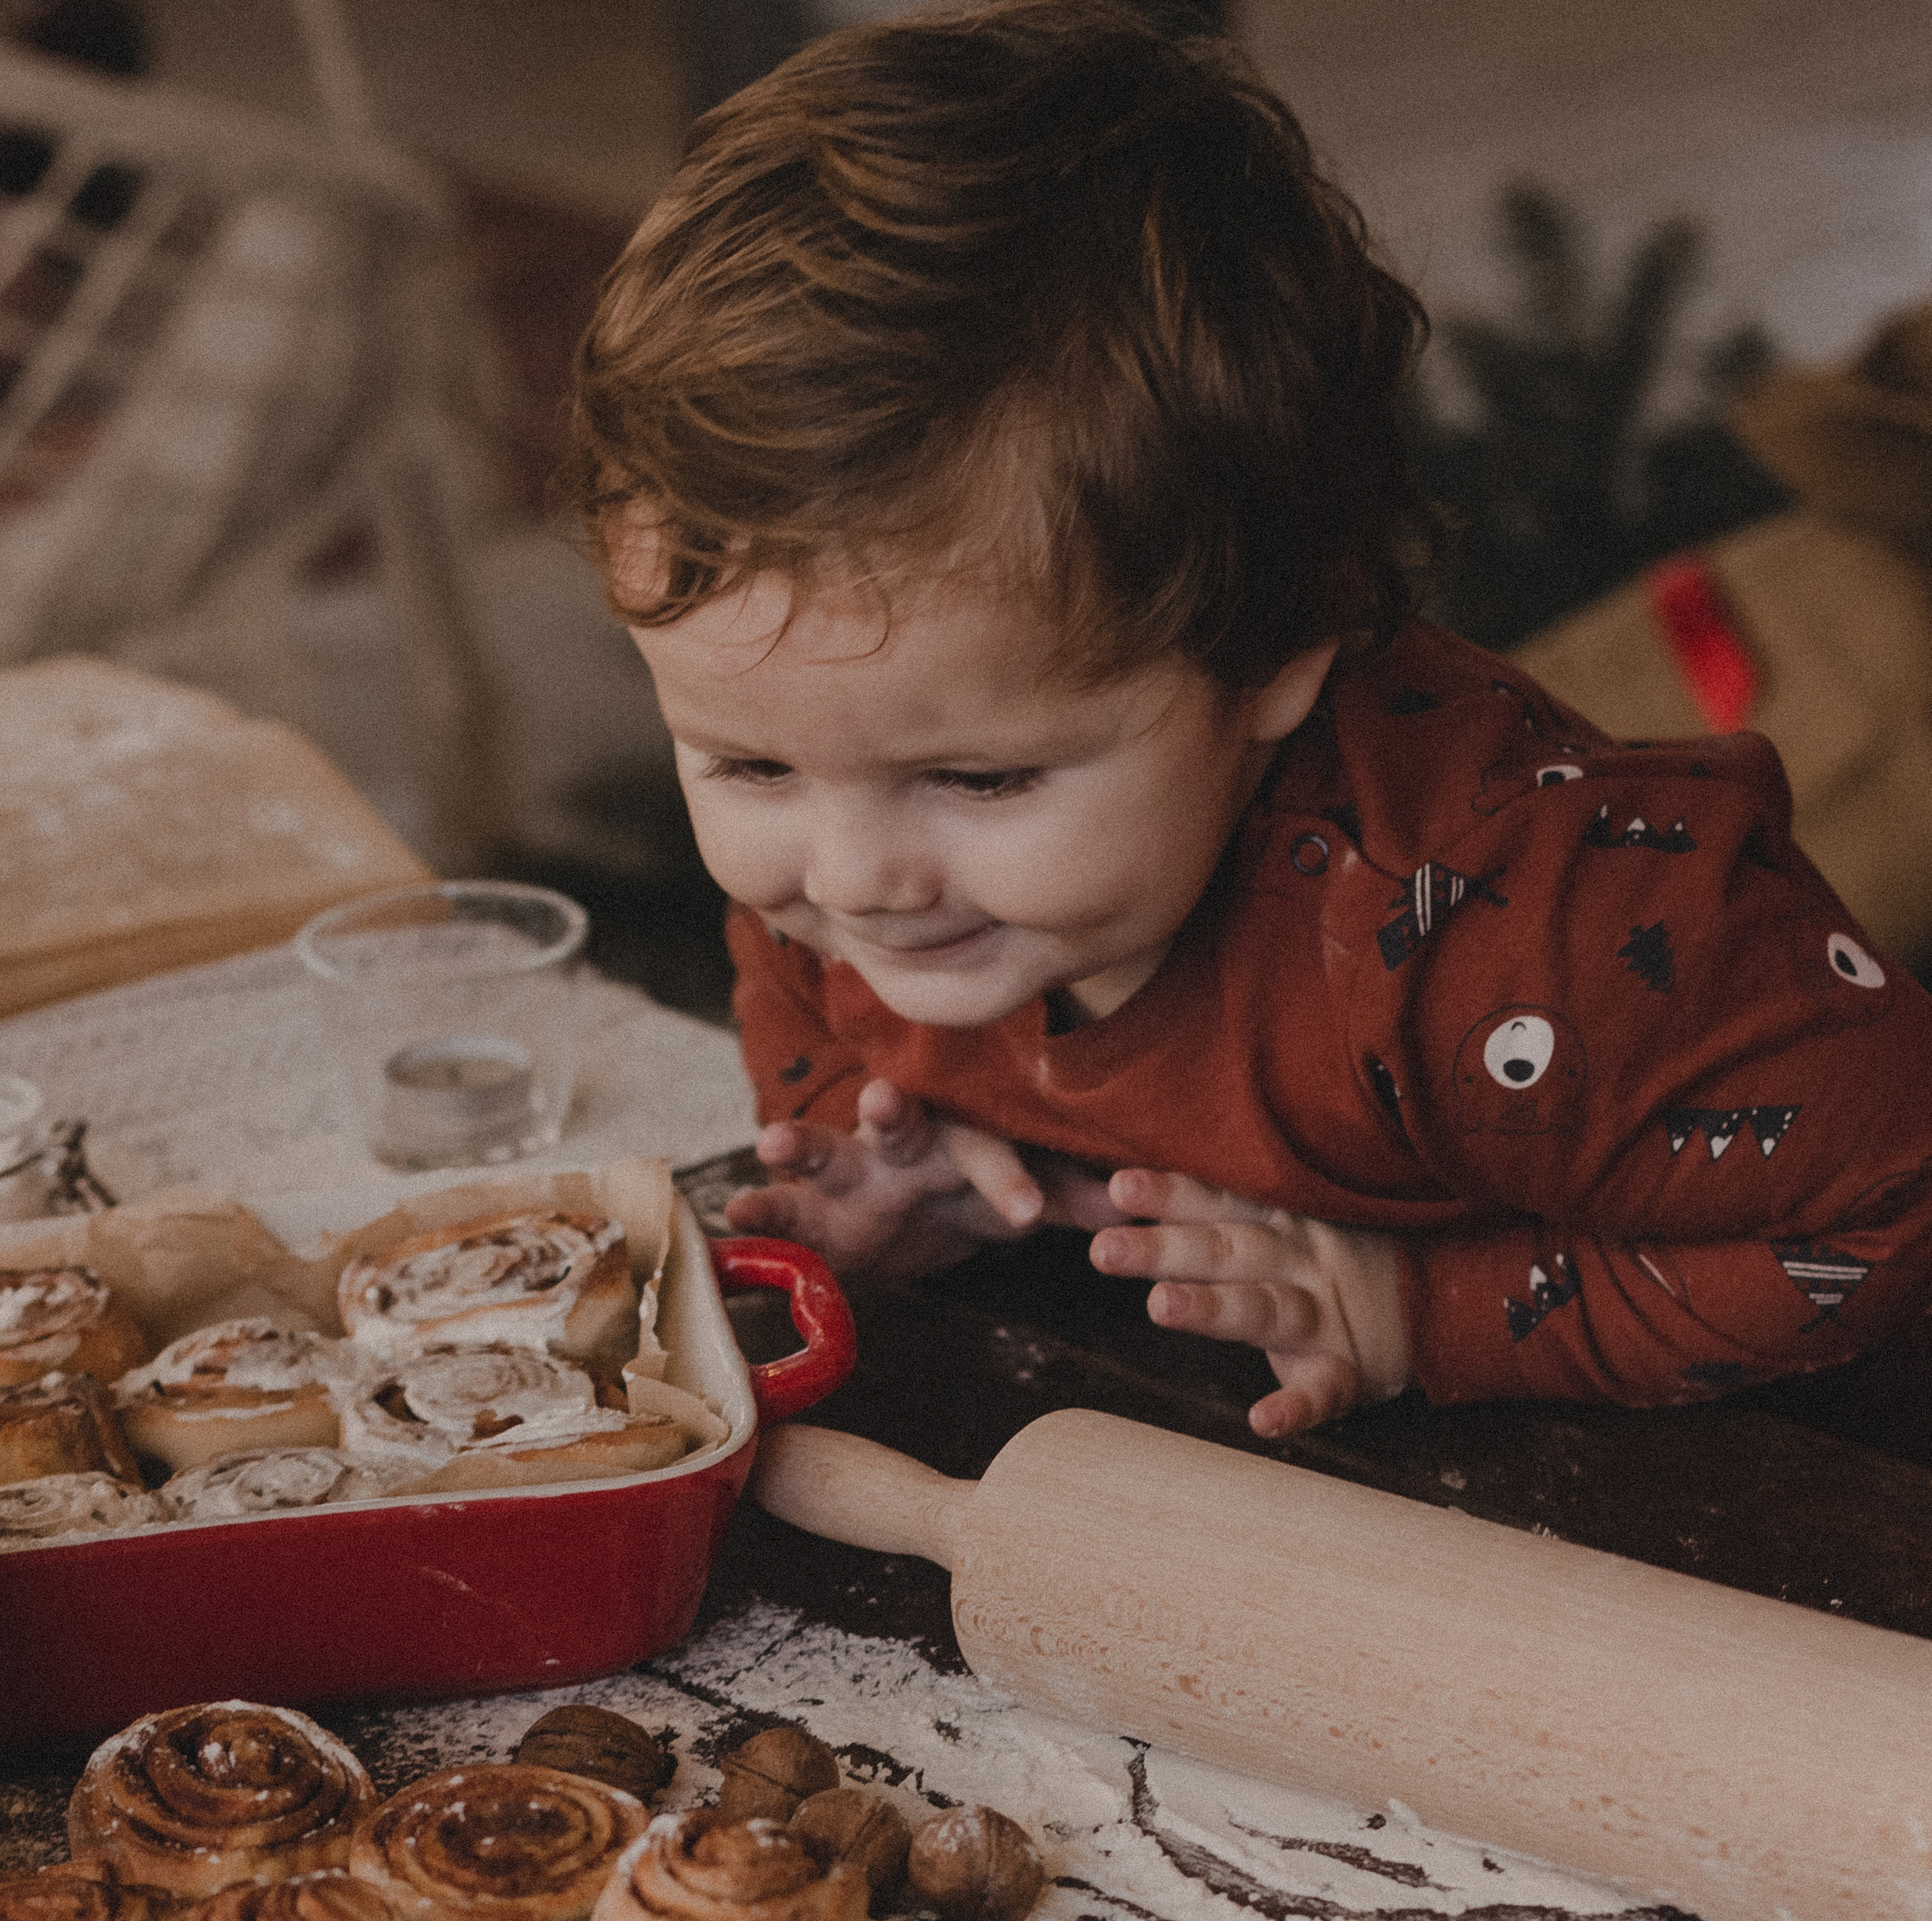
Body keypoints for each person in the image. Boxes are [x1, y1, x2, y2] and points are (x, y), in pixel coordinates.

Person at [568, 0, 1932, 1436]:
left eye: (978, 780)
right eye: (750, 763)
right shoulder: (852, 884)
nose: (847, 884)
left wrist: (1414, 1310)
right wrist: (885, 1156)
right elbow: (809, 989)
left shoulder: (1530, 941)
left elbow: (1895, 1192)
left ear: (1275, 651)